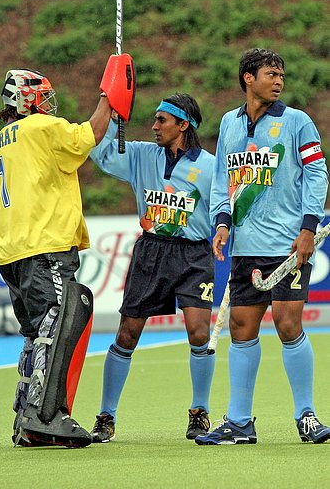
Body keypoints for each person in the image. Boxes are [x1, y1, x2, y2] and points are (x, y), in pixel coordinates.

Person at [0, 54, 135, 448]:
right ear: (28, 101)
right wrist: (110, 93)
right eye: (43, 97)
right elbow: (90, 134)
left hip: (10, 252)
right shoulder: (41, 127)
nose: (50, 104)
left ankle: (25, 418)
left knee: (35, 334)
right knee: (57, 325)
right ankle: (45, 416)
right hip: (46, 244)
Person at [196, 48, 330, 446]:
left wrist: (309, 228)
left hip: (288, 244)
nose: (279, 80)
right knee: (241, 328)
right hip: (244, 246)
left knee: (289, 324)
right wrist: (221, 223)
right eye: (271, 74)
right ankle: (239, 422)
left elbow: (317, 173)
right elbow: (222, 180)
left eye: (281, 75)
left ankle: (306, 415)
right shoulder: (228, 125)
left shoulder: (296, 122)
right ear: (248, 79)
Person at [89, 93, 216, 442]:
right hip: (151, 252)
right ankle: (105, 416)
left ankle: (199, 412)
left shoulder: (210, 165)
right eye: (154, 119)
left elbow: (224, 207)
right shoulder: (143, 154)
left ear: (183, 125)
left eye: (162, 120)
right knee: (127, 333)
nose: (154, 125)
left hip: (194, 255)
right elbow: (98, 151)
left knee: (199, 333)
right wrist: (113, 109)